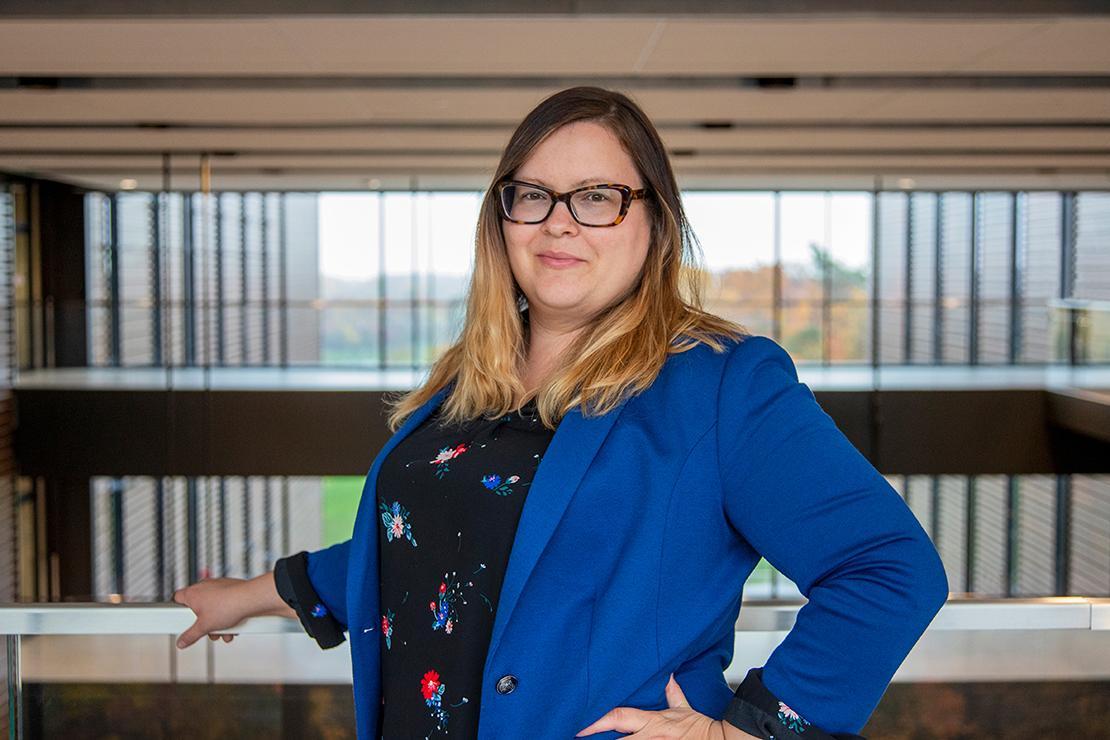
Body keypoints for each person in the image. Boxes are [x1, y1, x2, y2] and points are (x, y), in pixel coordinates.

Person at [172, 86, 949, 740]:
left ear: (655, 223)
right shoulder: (466, 383)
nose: (559, 222)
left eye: (599, 198)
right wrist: (250, 594)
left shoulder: (721, 384)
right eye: (533, 195)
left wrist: (751, 728)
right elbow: (437, 549)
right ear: (501, 218)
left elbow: (889, 569)